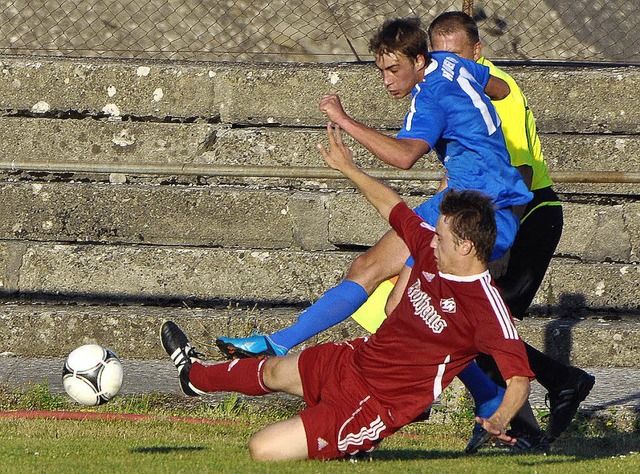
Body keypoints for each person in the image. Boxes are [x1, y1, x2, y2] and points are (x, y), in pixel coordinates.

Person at [216, 16, 532, 439]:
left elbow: (403, 157)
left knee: (388, 293)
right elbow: (502, 88)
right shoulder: (451, 64)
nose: (386, 80)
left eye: (393, 70)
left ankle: (292, 349)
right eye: (380, 70)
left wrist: (344, 120)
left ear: (419, 60)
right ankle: (282, 343)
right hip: (468, 200)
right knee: (383, 288)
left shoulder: (430, 97)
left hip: (476, 216)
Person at [161, 123, 534, 461]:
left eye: (441, 237)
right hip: (355, 361)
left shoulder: (486, 307)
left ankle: (351, 443)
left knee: (262, 449)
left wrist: (499, 419)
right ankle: (194, 378)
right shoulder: (430, 251)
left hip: (375, 404)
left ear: (466, 246)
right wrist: (349, 168)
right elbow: (394, 207)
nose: (430, 241)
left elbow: (519, 380)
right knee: (273, 371)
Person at [426, 11, 595, 450]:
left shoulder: (498, 92)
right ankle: (524, 420)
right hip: (489, 216)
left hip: (526, 215)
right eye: (439, 58)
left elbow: (516, 171)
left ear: (477, 53)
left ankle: (560, 386)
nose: (450, 67)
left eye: (458, 57)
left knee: (481, 329)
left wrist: (500, 242)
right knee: (474, 329)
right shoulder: (450, 87)